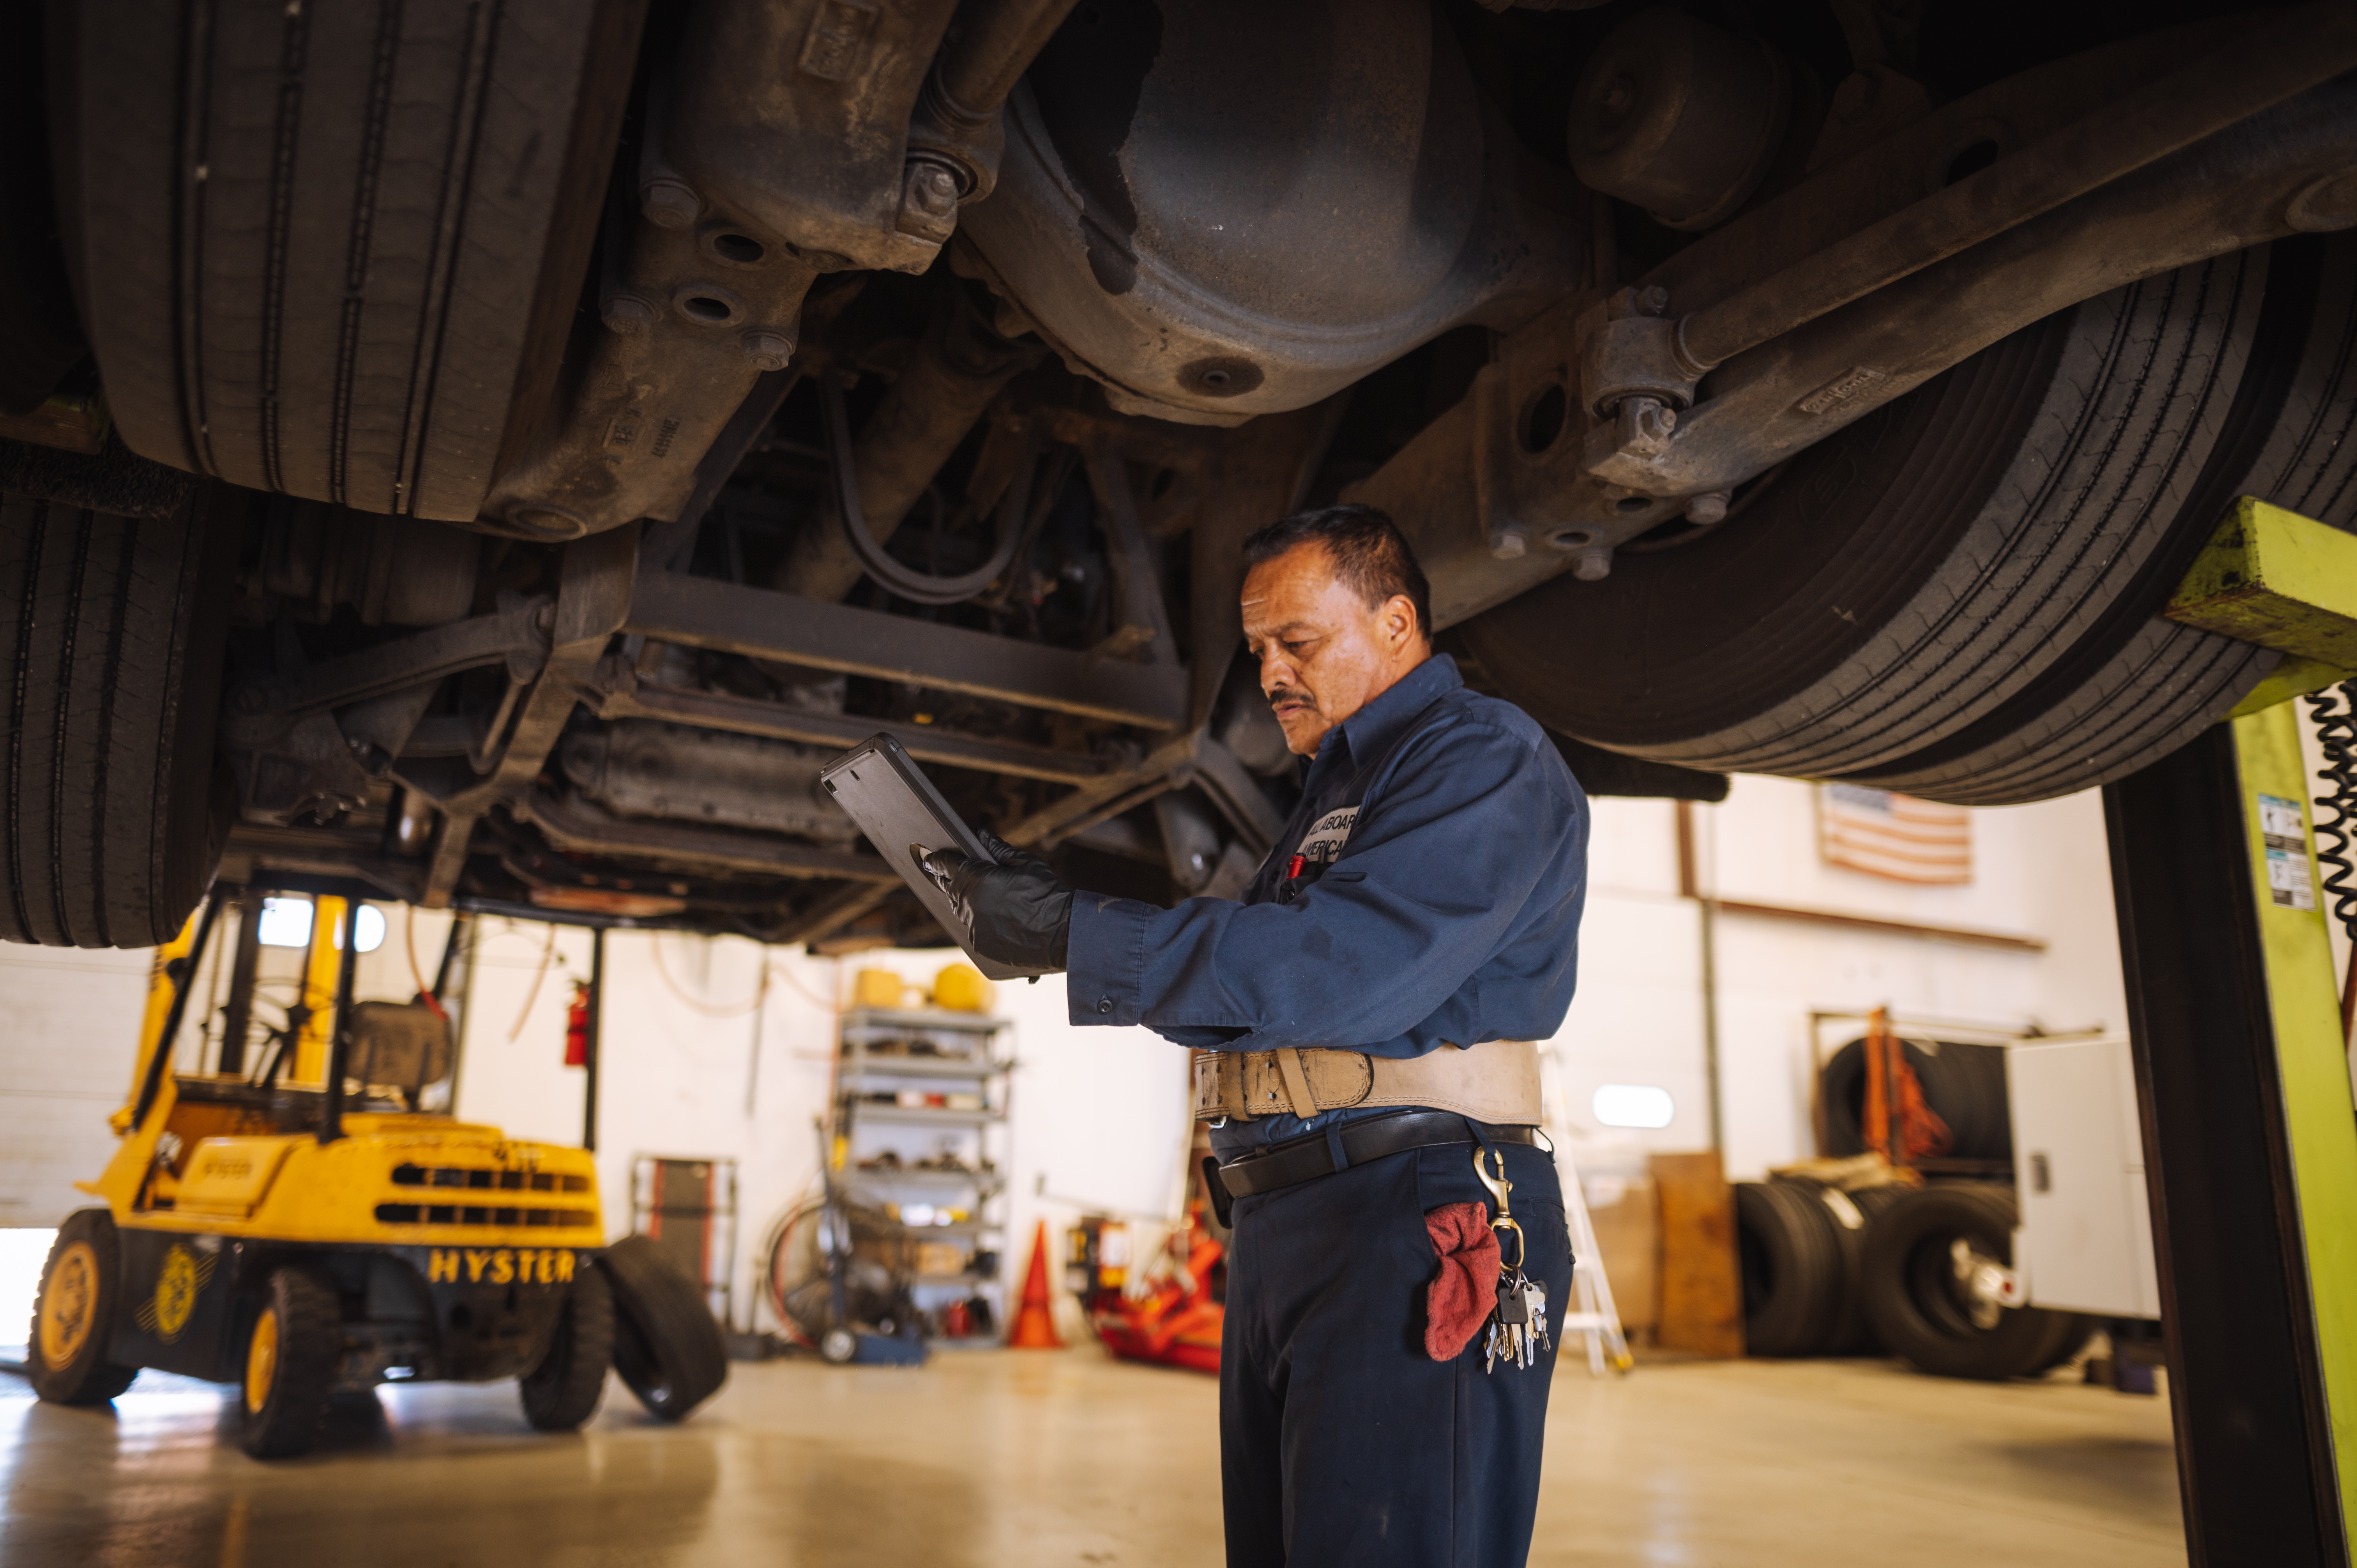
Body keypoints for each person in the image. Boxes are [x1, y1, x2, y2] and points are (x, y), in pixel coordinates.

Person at [924, 503, 1589, 1568]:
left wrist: (1073, 931)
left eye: (1300, 644)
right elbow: (1254, 965)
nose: (1272, 673)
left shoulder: (1483, 758)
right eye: (1258, 651)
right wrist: (1064, 914)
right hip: (1297, 1215)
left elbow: (1338, 970)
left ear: (1398, 623)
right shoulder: (1338, 791)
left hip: (1418, 1206)